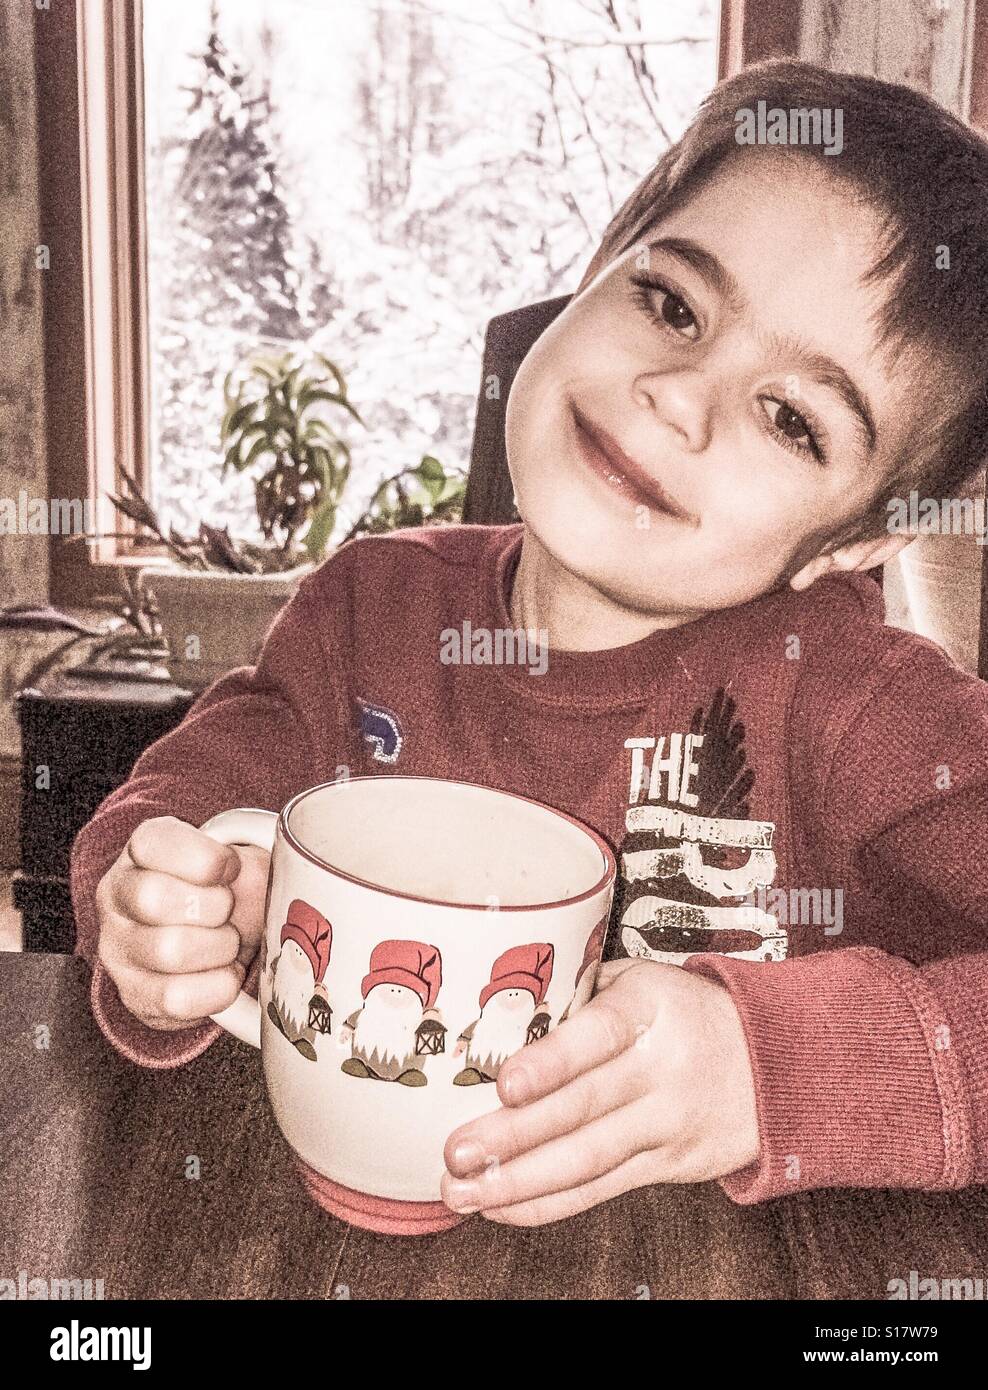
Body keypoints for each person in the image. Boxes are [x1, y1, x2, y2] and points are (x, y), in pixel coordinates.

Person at [73, 59, 988, 1226]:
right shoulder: (369, 606)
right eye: (670, 304)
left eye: (790, 419)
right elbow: (187, 797)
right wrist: (165, 909)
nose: (676, 396)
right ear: (592, 271)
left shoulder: (862, 709)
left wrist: (780, 1073)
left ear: (850, 544)